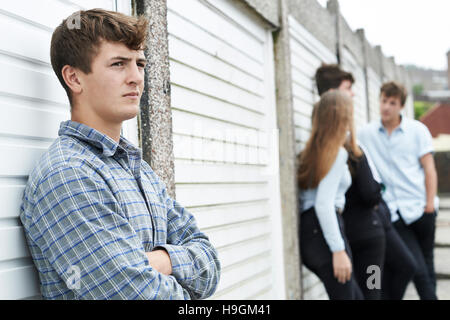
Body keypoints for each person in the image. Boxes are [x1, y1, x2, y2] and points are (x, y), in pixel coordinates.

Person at [19, 9, 221, 300]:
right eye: (118, 64)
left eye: (140, 64)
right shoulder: (69, 175)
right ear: (74, 78)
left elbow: (210, 262)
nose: (136, 78)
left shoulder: (136, 168)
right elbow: (136, 295)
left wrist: (158, 261)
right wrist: (170, 265)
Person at [314, 64, 416, 300]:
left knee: (378, 285)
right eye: (348, 88)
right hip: (367, 234)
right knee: (373, 289)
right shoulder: (339, 143)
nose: (353, 94)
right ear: (333, 94)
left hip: (374, 229)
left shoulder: (343, 138)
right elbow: (367, 190)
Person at [358, 81, 439, 300]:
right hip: (394, 213)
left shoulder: (417, 131)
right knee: (417, 269)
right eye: (383, 101)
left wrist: (429, 206)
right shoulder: (365, 134)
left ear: (401, 105)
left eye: (392, 103)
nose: (386, 107)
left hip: (422, 208)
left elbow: (429, 169)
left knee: (428, 268)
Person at [297, 90, 364, 300]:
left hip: (313, 232)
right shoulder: (337, 152)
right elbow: (323, 204)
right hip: (324, 232)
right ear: (341, 117)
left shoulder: (312, 152)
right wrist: (338, 250)